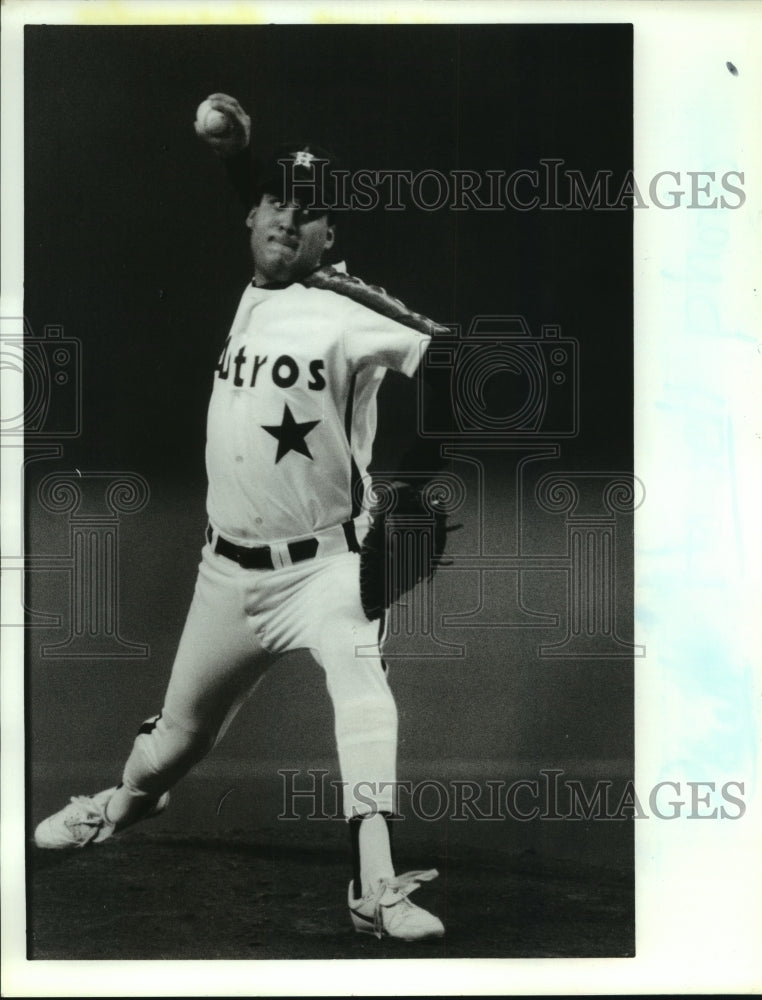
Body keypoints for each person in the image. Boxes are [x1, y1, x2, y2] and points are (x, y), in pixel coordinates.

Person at [33, 94, 448, 943]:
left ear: (334, 238)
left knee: (365, 695)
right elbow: (265, 220)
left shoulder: (347, 306)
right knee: (172, 746)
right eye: (278, 202)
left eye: (312, 211)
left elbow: (464, 360)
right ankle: (115, 808)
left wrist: (411, 483)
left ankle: (376, 888)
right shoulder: (260, 284)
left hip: (330, 565)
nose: (291, 219)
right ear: (254, 217)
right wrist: (238, 159)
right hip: (225, 575)